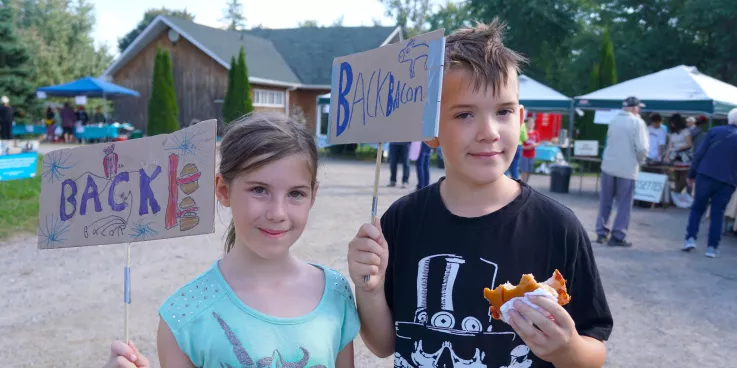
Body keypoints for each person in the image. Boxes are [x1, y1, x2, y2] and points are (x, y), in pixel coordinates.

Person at [347, 19, 612, 368]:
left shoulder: (557, 227)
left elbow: (593, 352)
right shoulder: (403, 220)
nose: (489, 132)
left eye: (502, 111)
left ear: (520, 118)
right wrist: (368, 289)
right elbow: (383, 345)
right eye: (464, 114)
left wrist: (567, 349)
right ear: (430, 131)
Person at [103, 112, 359, 368]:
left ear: (313, 196)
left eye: (295, 193)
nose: (278, 213)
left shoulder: (335, 294)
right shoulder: (185, 315)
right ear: (224, 190)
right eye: (259, 190)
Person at [682, 108, 737, 258]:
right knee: (717, 214)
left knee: (697, 208)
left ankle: (690, 239)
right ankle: (712, 248)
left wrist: (691, 174)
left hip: (705, 175)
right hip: (728, 181)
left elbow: (699, 154)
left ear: (729, 119)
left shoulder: (714, 131)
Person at [595, 97, 649, 247]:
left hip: (608, 165)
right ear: (634, 108)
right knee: (624, 204)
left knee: (605, 201)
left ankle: (601, 232)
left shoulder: (614, 120)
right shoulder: (637, 122)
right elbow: (642, 148)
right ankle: (618, 235)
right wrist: (641, 161)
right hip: (627, 168)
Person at [520, 117, 540, 182]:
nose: (531, 124)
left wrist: (534, 145)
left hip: (532, 154)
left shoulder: (536, 133)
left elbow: (538, 142)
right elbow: (520, 142)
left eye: (532, 123)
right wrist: (525, 147)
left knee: (529, 170)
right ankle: (523, 182)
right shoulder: (524, 132)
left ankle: (526, 182)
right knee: (524, 170)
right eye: (530, 123)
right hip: (524, 154)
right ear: (527, 124)